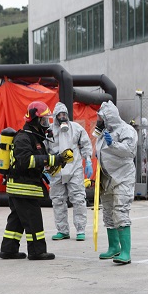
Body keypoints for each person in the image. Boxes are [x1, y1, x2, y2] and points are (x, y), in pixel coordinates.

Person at [0, 101, 72, 261]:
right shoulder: (23, 138)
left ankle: (8, 249)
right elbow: (26, 161)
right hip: (23, 187)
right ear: (34, 120)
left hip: (23, 185)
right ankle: (37, 251)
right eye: (43, 120)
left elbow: (40, 160)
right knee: (33, 220)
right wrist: (52, 159)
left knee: (17, 220)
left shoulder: (34, 137)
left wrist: (57, 162)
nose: (46, 123)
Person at [95, 100, 137, 265]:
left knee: (120, 211)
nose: (98, 120)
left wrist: (113, 144)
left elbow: (129, 151)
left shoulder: (127, 130)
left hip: (123, 177)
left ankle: (126, 252)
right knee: (108, 213)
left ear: (108, 117)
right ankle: (114, 247)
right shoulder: (103, 132)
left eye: (100, 117)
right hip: (107, 177)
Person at [47, 102, 94, 241]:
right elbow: (45, 149)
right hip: (56, 170)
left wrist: (88, 160)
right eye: (59, 115)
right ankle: (62, 230)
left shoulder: (76, 128)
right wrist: (45, 168)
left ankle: (80, 229)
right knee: (58, 200)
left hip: (74, 168)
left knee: (78, 199)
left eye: (64, 114)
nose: (62, 117)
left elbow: (86, 144)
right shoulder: (49, 131)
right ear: (55, 116)